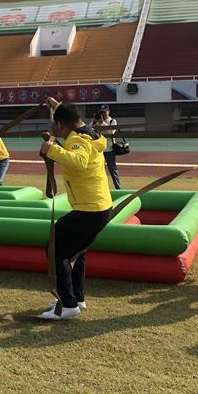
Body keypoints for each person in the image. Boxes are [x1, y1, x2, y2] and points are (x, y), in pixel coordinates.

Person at [38, 99, 113, 320]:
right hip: (98, 207)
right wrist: (57, 106)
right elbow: (68, 118)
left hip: (89, 210)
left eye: (56, 126)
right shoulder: (89, 133)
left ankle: (68, 304)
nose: (56, 131)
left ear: (61, 124)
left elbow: (78, 161)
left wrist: (52, 150)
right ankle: (76, 298)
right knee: (77, 253)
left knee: (55, 250)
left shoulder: (77, 139)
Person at [94, 105, 121, 190]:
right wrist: (95, 121)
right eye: (101, 112)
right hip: (99, 150)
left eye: (104, 112)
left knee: (113, 170)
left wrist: (102, 123)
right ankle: (101, 188)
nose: (103, 114)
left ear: (108, 112)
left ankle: (118, 188)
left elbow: (111, 132)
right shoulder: (97, 121)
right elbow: (90, 130)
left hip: (109, 149)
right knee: (99, 170)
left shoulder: (112, 121)